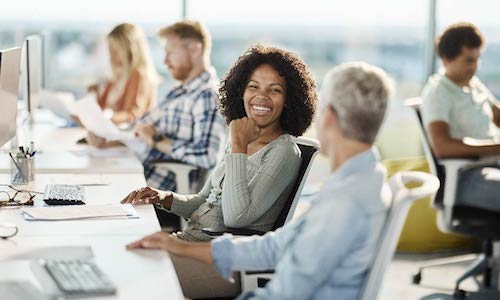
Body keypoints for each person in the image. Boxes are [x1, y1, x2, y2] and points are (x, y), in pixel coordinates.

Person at [126, 62, 393, 299]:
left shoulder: (344, 202)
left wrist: (239, 147)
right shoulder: (359, 182)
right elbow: (275, 246)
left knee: (133, 278)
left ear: (330, 116)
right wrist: (176, 243)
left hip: (237, 271)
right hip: (215, 247)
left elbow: (288, 291)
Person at [121, 45, 317, 244]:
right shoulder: (241, 141)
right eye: (253, 86)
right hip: (188, 242)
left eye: (275, 90)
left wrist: (238, 146)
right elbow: (204, 201)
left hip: (217, 258)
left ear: (288, 100)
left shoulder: (283, 151)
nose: (262, 96)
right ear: (241, 92)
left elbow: (236, 218)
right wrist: (163, 197)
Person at [87, 20, 227, 194]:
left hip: (160, 192)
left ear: (194, 49)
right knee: (87, 186)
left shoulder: (207, 95)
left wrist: (157, 141)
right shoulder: (179, 92)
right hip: (141, 175)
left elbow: (208, 156)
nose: (165, 61)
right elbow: (139, 126)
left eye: (171, 53)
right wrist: (107, 136)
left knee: (93, 192)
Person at [422, 22, 500, 212]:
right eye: (468, 60)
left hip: (493, 167)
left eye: (477, 59)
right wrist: (497, 148)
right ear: (447, 59)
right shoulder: (438, 93)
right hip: (466, 177)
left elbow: (497, 115)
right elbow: (442, 146)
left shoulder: (473, 84)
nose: (474, 66)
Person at [89, 23, 159, 124]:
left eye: (116, 51)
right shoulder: (115, 76)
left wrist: (108, 119)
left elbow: (134, 115)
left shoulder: (139, 75)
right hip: (111, 134)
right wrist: (94, 95)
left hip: (127, 136)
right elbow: (100, 109)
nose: (112, 56)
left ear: (131, 51)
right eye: (110, 50)